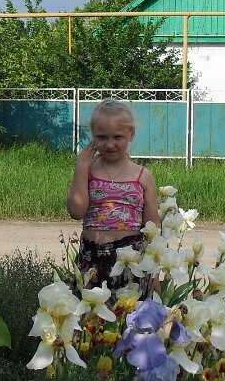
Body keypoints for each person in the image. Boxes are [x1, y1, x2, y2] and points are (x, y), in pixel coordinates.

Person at [66, 99, 159, 290]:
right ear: (92, 135)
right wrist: (81, 167)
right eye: (101, 137)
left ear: (131, 135)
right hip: (91, 259)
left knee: (129, 316)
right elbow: (76, 211)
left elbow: (153, 229)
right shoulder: (88, 171)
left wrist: (154, 274)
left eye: (117, 137)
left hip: (131, 261)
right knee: (90, 317)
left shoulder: (142, 175)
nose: (109, 144)